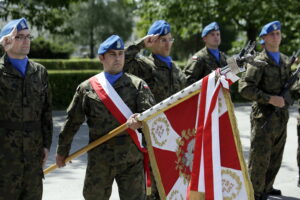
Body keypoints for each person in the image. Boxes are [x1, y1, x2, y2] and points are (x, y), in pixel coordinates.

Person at [56, 35, 156, 200]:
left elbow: (151, 115)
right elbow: (72, 121)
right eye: (112, 54)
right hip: (100, 160)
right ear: (101, 57)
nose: (118, 58)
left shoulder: (137, 85)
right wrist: (62, 151)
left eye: (120, 53)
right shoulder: (87, 88)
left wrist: (139, 119)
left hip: (130, 159)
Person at [0, 18, 53, 199]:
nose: (26, 41)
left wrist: (46, 145)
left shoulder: (39, 72)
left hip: (33, 156)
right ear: (6, 40)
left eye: (28, 36)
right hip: (5, 157)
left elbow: (46, 112)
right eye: (19, 37)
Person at [239, 21, 292, 200]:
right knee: (259, 160)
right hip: (264, 118)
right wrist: (269, 98)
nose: (276, 37)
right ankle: (253, 194)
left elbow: (291, 90)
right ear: (263, 38)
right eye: (272, 34)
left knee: (275, 158)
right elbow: (245, 88)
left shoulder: (285, 60)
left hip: (281, 117)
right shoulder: (258, 61)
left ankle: (267, 188)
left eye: (278, 33)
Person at [124, 20, 186, 103]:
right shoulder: (144, 65)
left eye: (170, 39)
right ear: (151, 42)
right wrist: (142, 44)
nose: (168, 44)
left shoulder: (176, 68)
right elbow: (121, 60)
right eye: (163, 40)